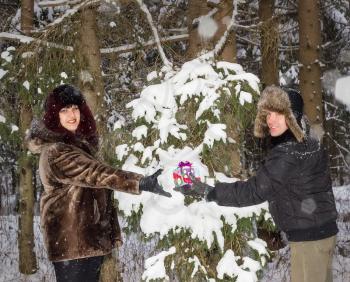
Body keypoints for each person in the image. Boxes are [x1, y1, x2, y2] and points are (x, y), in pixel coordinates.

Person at [175, 86, 338, 282]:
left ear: (292, 116)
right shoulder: (308, 143)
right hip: (323, 233)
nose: (270, 120)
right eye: (268, 114)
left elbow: (254, 191)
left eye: (278, 113)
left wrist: (209, 191)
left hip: (309, 241)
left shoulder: (287, 153)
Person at [26, 84, 170, 282]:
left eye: (75, 108)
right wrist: (139, 182)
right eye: (64, 110)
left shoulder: (77, 147)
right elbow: (95, 173)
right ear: (54, 116)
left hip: (86, 243)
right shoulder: (56, 152)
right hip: (73, 245)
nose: (71, 115)